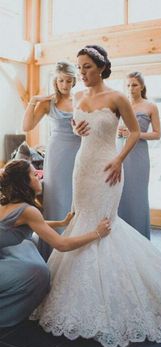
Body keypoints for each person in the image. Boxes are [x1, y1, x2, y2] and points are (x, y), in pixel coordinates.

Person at [31, 46, 161, 347]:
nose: (82, 74)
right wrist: (76, 125)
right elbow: (76, 126)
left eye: (86, 67)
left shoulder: (117, 98)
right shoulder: (77, 97)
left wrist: (118, 161)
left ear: (100, 67)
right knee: (82, 219)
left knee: (105, 225)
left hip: (109, 167)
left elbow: (136, 133)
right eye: (79, 67)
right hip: (82, 167)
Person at [0, 159, 111, 327]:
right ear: (24, 181)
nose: (39, 176)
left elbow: (33, 225)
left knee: (27, 245)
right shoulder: (27, 210)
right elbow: (62, 245)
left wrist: (60, 223)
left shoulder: (7, 202)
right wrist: (97, 233)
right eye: (34, 174)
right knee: (38, 273)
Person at [23, 61, 81, 260]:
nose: (64, 85)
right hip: (57, 153)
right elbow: (27, 125)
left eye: (68, 80)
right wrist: (33, 100)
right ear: (56, 81)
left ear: (74, 81)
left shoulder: (80, 100)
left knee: (76, 197)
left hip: (79, 152)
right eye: (61, 80)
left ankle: (73, 250)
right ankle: (52, 252)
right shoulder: (49, 102)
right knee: (56, 198)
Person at [117, 71, 161, 239]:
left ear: (142, 86)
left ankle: (140, 237)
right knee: (120, 193)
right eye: (128, 85)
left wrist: (135, 134)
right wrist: (119, 133)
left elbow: (157, 134)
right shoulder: (120, 104)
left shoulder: (150, 106)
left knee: (137, 195)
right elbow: (115, 129)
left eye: (134, 85)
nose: (130, 88)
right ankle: (121, 238)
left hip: (139, 153)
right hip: (120, 150)